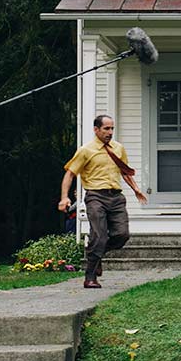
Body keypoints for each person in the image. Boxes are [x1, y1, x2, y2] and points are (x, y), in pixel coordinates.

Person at [59, 115, 147, 289]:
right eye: (106, 129)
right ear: (96, 129)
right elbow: (70, 174)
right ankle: (90, 278)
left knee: (122, 235)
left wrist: (136, 189)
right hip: (95, 196)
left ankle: (96, 254)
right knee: (99, 236)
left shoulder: (118, 148)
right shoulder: (86, 150)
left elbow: (124, 172)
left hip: (116, 197)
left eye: (112, 128)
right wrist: (64, 197)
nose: (110, 132)